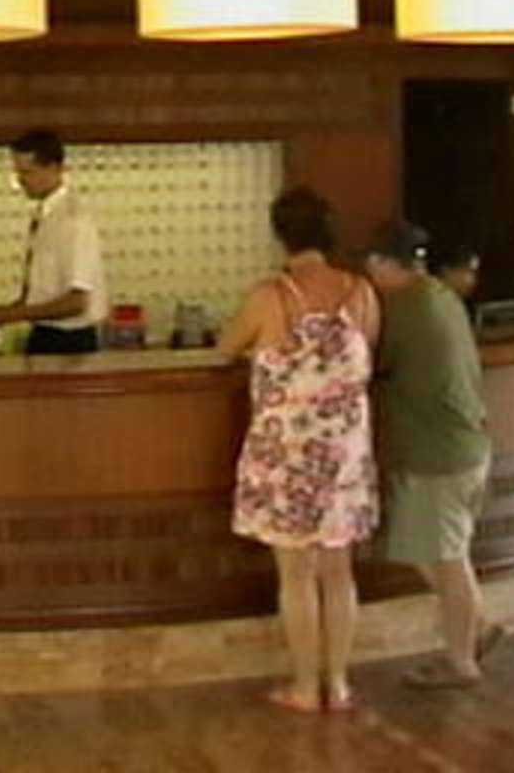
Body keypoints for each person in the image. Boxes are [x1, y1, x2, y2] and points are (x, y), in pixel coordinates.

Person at [216, 187, 381, 713]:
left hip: (285, 455)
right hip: (345, 455)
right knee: (339, 572)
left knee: (296, 576)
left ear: (279, 236)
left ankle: (306, 687)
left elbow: (224, 348)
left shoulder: (269, 297)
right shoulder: (361, 293)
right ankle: (340, 683)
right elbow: (367, 356)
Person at [363, 221, 500, 690]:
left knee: (446, 560)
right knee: (433, 553)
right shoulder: (440, 295)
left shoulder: (404, 309)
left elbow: (367, 361)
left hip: (438, 455)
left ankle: (461, 662)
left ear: (382, 263)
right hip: (464, 446)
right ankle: (478, 626)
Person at [0, 128, 108, 354]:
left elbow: (76, 302)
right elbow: (44, 291)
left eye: (27, 172)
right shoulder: (45, 217)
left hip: (70, 342)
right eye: (18, 172)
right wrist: (7, 311)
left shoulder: (73, 221)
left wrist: (11, 315)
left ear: (54, 168)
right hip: (44, 334)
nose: (20, 181)